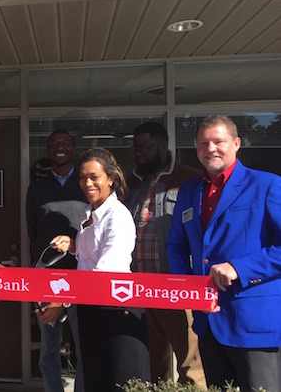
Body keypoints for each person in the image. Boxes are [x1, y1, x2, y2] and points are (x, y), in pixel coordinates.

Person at [167, 115, 281, 392]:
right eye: (203, 143)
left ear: (236, 143)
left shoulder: (266, 185)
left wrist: (239, 268)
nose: (211, 149)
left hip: (254, 323)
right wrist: (188, 288)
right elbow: (175, 246)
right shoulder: (189, 190)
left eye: (219, 142)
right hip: (208, 322)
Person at [51, 147, 150, 391]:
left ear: (111, 179)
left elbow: (105, 272)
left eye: (94, 177)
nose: (87, 183)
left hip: (117, 309)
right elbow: (90, 260)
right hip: (91, 308)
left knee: (120, 383)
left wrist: (61, 301)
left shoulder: (117, 216)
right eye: (83, 177)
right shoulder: (90, 212)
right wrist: (74, 246)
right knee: (96, 380)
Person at [124, 122, 205, 387]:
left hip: (175, 288)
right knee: (150, 365)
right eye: (136, 148)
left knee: (191, 366)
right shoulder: (132, 183)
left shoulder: (190, 179)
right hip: (139, 289)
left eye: (145, 148)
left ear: (163, 146)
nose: (139, 154)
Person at [26, 130, 85, 392]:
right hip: (46, 279)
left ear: (73, 149)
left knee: (83, 346)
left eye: (65, 144)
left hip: (82, 276)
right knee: (49, 348)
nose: (59, 148)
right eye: (53, 144)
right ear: (48, 150)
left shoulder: (86, 184)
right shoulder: (37, 189)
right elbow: (33, 232)